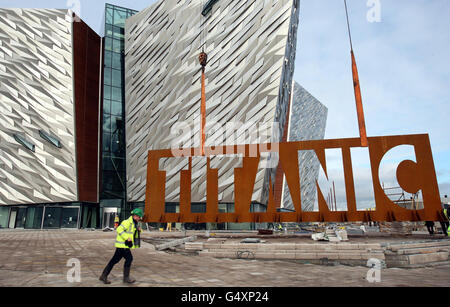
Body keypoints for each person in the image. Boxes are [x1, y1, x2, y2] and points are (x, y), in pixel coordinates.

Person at [99, 208, 143, 284]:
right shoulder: (127, 222)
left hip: (124, 246)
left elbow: (134, 232)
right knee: (129, 259)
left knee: (114, 261)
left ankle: (104, 276)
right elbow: (119, 229)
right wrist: (127, 237)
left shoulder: (134, 223)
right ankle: (125, 278)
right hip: (122, 245)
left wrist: (139, 230)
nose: (139, 219)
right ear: (135, 216)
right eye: (139, 217)